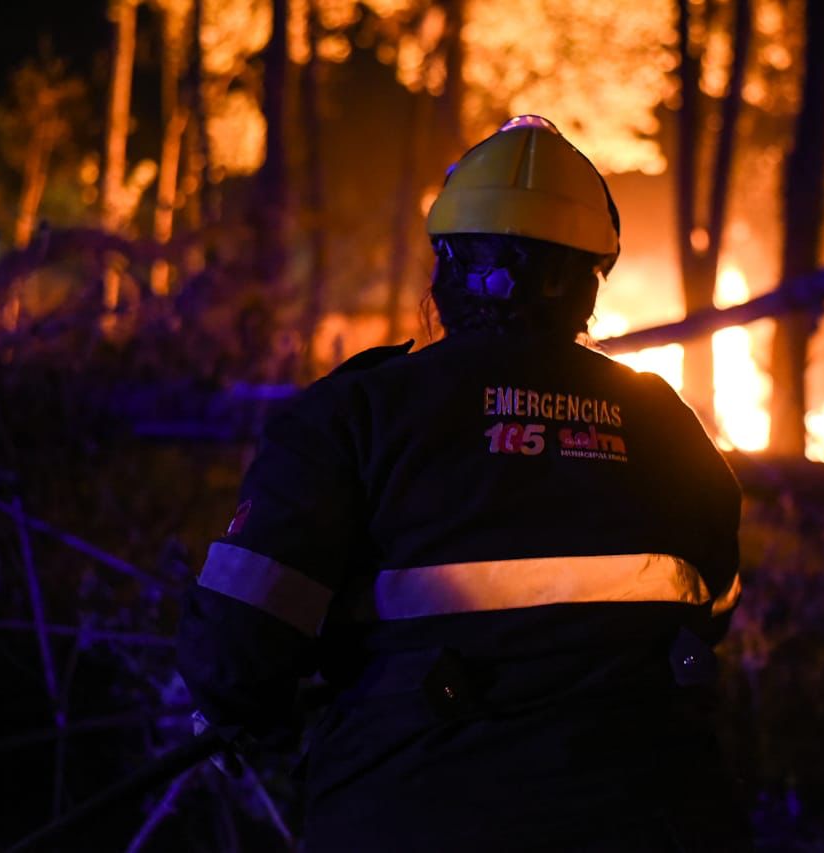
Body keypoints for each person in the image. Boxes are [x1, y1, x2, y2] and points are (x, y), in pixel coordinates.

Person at [176, 114, 749, 850]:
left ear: (445, 262)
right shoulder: (662, 420)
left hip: (414, 812)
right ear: (586, 280)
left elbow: (240, 648)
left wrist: (237, 711)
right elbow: (715, 601)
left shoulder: (356, 412)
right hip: (649, 812)